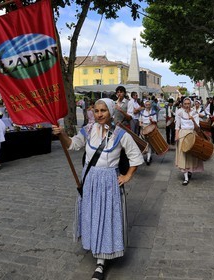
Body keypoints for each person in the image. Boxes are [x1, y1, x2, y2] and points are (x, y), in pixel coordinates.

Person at [52, 98, 144, 280]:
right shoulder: (88, 129)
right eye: (96, 111)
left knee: (105, 216)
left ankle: (101, 262)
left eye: (103, 111)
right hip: (90, 179)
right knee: (92, 214)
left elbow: (135, 157)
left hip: (109, 181)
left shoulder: (121, 134)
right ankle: (93, 243)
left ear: (111, 112)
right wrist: (61, 133)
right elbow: (73, 144)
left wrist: (127, 176)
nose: (99, 114)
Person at [175, 97, 204, 185]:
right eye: (185, 104)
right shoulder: (179, 112)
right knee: (183, 154)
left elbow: (198, 128)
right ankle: (186, 177)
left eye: (188, 104)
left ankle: (189, 170)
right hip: (183, 134)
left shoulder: (195, 113)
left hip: (192, 133)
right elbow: (177, 126)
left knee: (191, 154)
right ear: (183, 104)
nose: (187, 105)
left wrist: (193, 120)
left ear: (191, 104)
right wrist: (176, 136)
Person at [139, 99, 157, 165]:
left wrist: (152, 121)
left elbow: (155, 122)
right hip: (143, 128)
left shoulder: (153, 111)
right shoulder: (142, 112)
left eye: (149, 105)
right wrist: (141, 125)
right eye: (146, 105)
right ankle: (144, 156)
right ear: (144, 105)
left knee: (149, 144)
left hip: (150, 129)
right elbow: (140, 121)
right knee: (143, 143)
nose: (147, 106)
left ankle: (148, 158)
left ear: (150, 105)